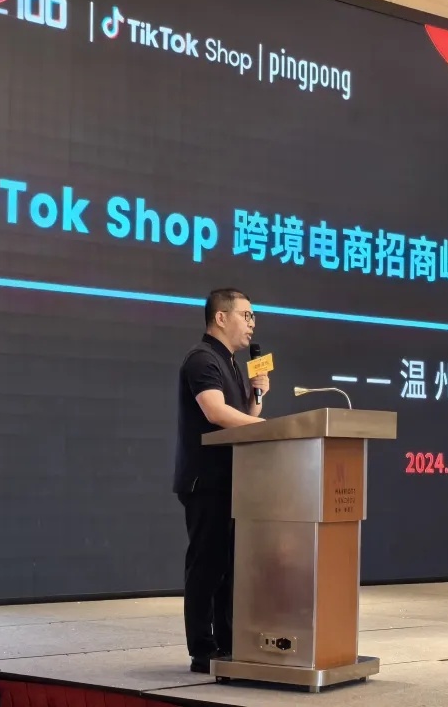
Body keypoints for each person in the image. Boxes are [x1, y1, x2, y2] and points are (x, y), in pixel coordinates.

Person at [174, 288, 269, 673]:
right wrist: (267, 428)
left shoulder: (230, 362)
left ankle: (229, 644)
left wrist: (258, 394)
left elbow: (242, 417)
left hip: (232, 481)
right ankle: (202, 650)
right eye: (246, 315)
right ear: (220, 317)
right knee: (207, 565)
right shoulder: (202, 359)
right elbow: (215, 412)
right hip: (206, 481)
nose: (252, 323)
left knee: (230, 567)